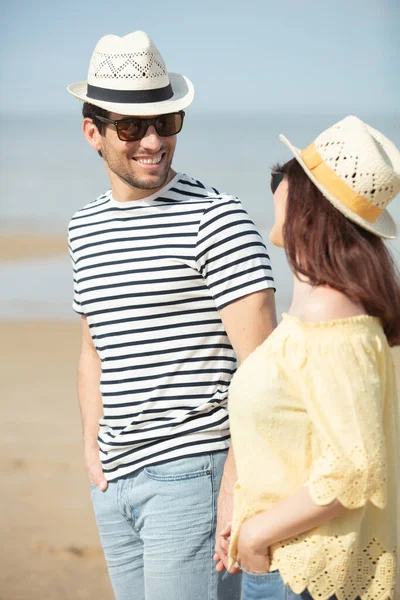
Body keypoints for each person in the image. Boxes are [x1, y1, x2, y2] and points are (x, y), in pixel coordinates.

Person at [66, 30, 277, 600]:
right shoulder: (83, 229)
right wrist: (92, 443)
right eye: (132, 127)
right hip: (114, 482)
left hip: (195, 476)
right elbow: (94, 345)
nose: (153, 141)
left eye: (167, 122)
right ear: (94, 133)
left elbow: (264, 370)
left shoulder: (218, 219)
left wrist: (235, 478)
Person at [226, 115, 400, 600]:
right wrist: (241, 519)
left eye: (287, 174)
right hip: (287, 559)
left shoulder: (330, 311)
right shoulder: (318, 304)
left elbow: (357, 467)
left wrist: (259, 536)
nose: (276, 184)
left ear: (308, 202)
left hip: (299, 570)